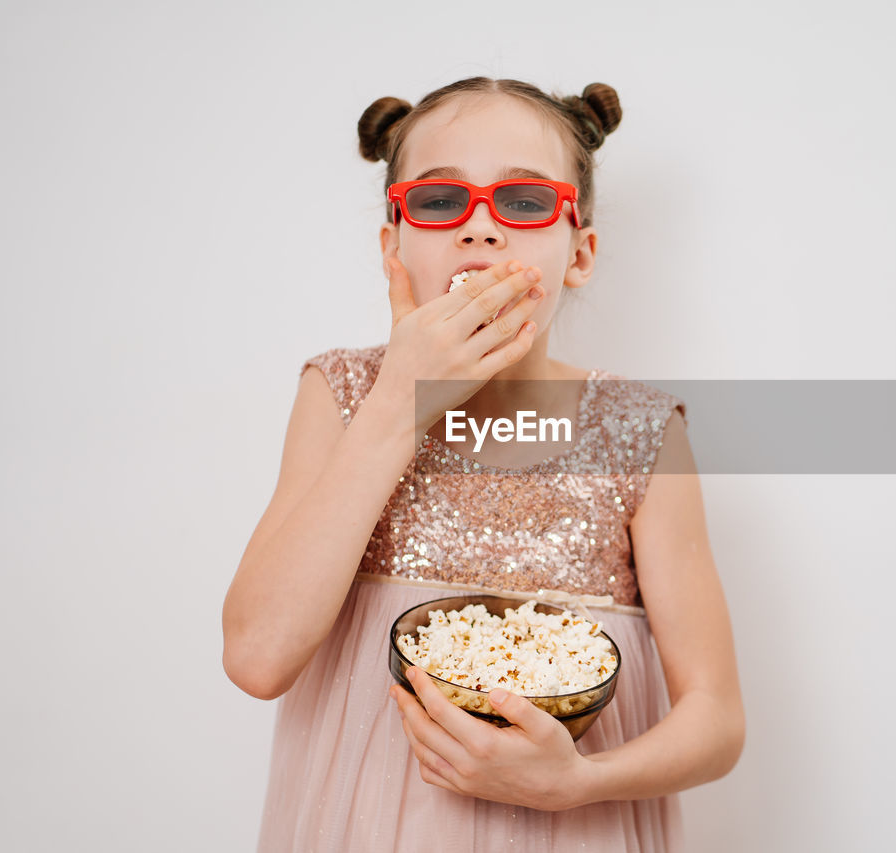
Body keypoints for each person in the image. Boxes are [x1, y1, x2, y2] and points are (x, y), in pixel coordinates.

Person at [221, 76, 744, 852]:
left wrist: (579, 782)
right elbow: (257, 657)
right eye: (439, 202)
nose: (480, 230)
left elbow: (717, 718)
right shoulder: (341, 395)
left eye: (525, 202)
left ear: (582, 251)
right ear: (391, 242)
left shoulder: (640, 432)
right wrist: (401, 401)